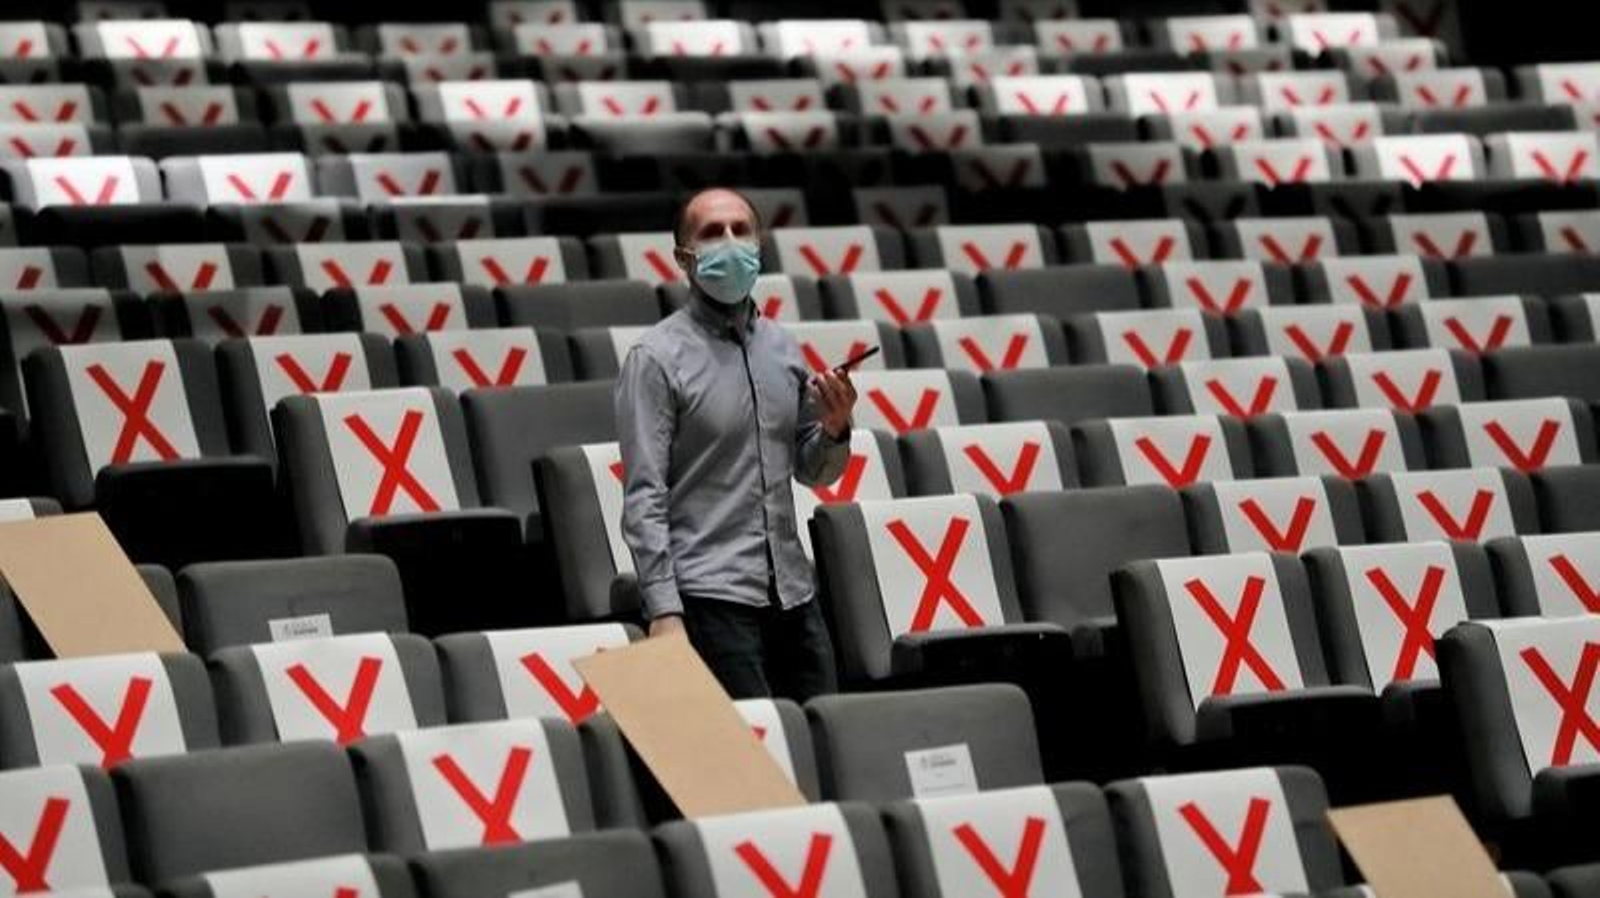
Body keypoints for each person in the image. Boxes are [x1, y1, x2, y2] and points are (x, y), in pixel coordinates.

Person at [614, 187, 858, 701]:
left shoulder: (781, 347)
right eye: (711, 233)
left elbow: (812, 471)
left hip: (793, 591)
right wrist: (663, 611)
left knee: (827, 741)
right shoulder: (655, 358)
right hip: (710, 600)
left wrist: (835, 430)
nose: (730, 243)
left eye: (740, 230)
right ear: (684, 258)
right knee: (758, 766)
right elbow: (644, 495)